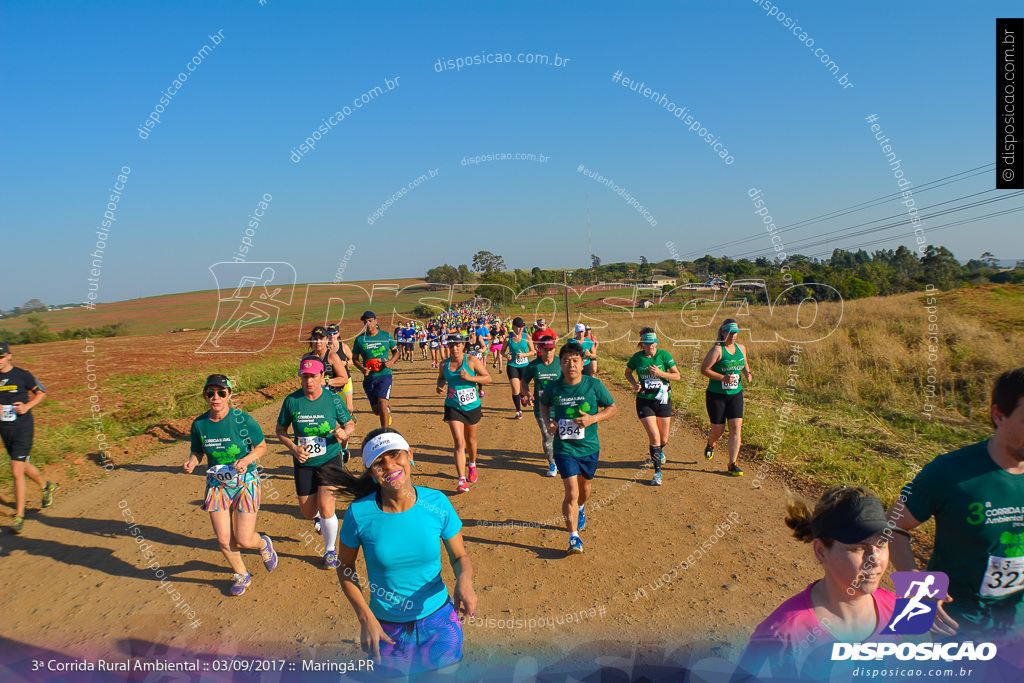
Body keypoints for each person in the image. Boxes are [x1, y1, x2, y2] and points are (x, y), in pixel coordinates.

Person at [322, 428, 476, 675]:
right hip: (387, 630)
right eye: (378, 462)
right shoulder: (358, 514)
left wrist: (464, 580)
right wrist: (365, 618)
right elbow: (345, 567)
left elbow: (459, 557)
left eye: (395, 455)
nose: (389, 464)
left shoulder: (436, 503)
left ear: (409, 455)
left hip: (440, 623)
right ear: (372, 474)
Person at [885, 367, 1024, 640]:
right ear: (999, 415)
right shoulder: (948, 471)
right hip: (950, 622)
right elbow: (892, 526)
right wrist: (920, 587)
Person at [736, 486, 897, 679]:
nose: (875, 559)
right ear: (821, 551)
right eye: (858, 548)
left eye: (882, 544)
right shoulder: (779, 638)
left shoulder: (899, 610)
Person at [184, 374, 277, 595]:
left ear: (229, 394)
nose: (215, 397)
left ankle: (263, 543)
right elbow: (197, 450)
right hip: (217, 482)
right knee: (224, 539)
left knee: (244, 539)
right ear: (205, 396)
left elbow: (262, 447)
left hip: (245, 481)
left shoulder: (242, 420)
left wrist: (246, 460)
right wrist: (192, 461)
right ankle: (241, 574)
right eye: (210, 393)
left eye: (221, 393)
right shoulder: (200, 424)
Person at [275, 356, 356, 569]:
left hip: (329, 457)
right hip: (303, 460)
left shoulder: (333, 400)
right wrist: (293, 448)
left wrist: (343, 432)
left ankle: (330, 551)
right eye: (304, 377)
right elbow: (280, 430)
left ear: (322, 377)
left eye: (312, 376)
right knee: (308, 512)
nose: (308, 381)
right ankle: (318, 516)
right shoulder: (292, 401)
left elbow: (350, 424)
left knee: (328, 506)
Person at [539, 343, 617, 554]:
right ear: (560, 364)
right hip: (564, 448)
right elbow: (543, 404)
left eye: (575, 360)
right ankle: (574, 538)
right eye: (566, 361)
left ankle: (581, 508)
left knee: (584, 493)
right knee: (571, 492)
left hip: (589, 447)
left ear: (583, 363)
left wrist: (593, 419)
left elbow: (612, 408)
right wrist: (549, 423)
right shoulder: (553, 387)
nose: (570, 365)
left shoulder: (594, 385)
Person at [0, 342, 56, 535]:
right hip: (4, 428)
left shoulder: (23, 375)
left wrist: (27, 406)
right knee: (22, 466)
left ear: (9, 356)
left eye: (1, 357)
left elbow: (42, 393)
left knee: (16, 470)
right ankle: (45, 486)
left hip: (23, 427)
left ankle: (19, 516)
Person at [437, 333, 492, 493]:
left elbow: (488, 378)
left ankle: (472, 464)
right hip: (453, 407)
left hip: (471, 406)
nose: (455, 348)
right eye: (452, 345)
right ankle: (461, 480)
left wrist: (470, 377)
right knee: (459, 442)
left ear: (463, 346)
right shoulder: (444, 364)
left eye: (458, 345)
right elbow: (441, 378)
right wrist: (439, 386)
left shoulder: (471, 361)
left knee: (470, 439)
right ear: (448, 346)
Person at [624, 328, 681, 486]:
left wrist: (661, 373)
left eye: (653, 342)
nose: (651, 345)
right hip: (644, 401)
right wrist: (635, 384)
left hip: (663, 400)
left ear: (657, 342)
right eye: (647, 343)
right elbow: (627, 372)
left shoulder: (664, 356)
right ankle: (657, 472)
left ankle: (658, 450)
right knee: (655, 437)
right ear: (642, 343)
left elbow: (677, 376)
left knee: (664, 438)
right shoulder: (637, 358)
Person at [701, 319, 752, 476]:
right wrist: (723, 378)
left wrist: (747, 373)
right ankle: (711, 443)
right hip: (716, 396)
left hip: (735, 394)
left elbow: (743, 363)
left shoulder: (741, 348)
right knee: (718, 432)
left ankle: (732, 464)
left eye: (735, 333)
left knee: (736, 428)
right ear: (723, 332)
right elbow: (704, 369)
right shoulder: (717, 350)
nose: (733, 336)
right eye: (730, 333)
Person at [519, 334, 561, 477]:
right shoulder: (533, 365)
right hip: (541, 406)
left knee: (562, 435)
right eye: (545, 350)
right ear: (539, 349)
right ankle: (552, 463)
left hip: (560, 406)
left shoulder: (561, 363)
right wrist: (528, 394)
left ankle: (563, 460)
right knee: (547, 435)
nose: (548, 353)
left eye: (551, 349)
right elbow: (524, 382)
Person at [351, 311, 399, 429]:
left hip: (384, 375)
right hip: (369, 378)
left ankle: (384, 432)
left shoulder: (386, 336)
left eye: (370, 321)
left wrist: (391, 362)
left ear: (376, 321)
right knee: (377, 411)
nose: (368, 324)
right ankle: (387, 410)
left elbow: (396, 352)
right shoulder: (360, 340)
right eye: (365, 322)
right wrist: (362, 368)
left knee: (382, 402)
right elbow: (355, 358)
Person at [503, 317, 535, 420]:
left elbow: (533, 351)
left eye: (522, 327)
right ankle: (518, 411)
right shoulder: (508, 339)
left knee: (524, 389)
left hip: (524, 366)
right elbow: (502, 351)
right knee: (514, 388)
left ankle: (522, 396)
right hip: (512, 366)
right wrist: (506, 355)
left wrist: (524, 355)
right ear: (513, 327)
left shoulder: (527, 337)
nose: (521, 329)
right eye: (518, 327)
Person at [307, 325, 350, 399]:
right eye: (315, 339)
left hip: (333, 397)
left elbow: (344, 379)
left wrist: (326, 381)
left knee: (349, 408)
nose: (318, 342)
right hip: (314, 398)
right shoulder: (307, 357)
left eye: (321, 338)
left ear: (327, 340)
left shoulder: (332, 357)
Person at [326, 323, 357, 420]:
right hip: (332, 381)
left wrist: (345, 363)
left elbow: (353, 360)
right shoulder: (324, 348)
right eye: (330, 332)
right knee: (332, 407)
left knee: (349, 408)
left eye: (334, 333)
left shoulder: (343, 346)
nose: (332, 335)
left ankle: (350, 417)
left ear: (338, 334)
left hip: (345, 379)